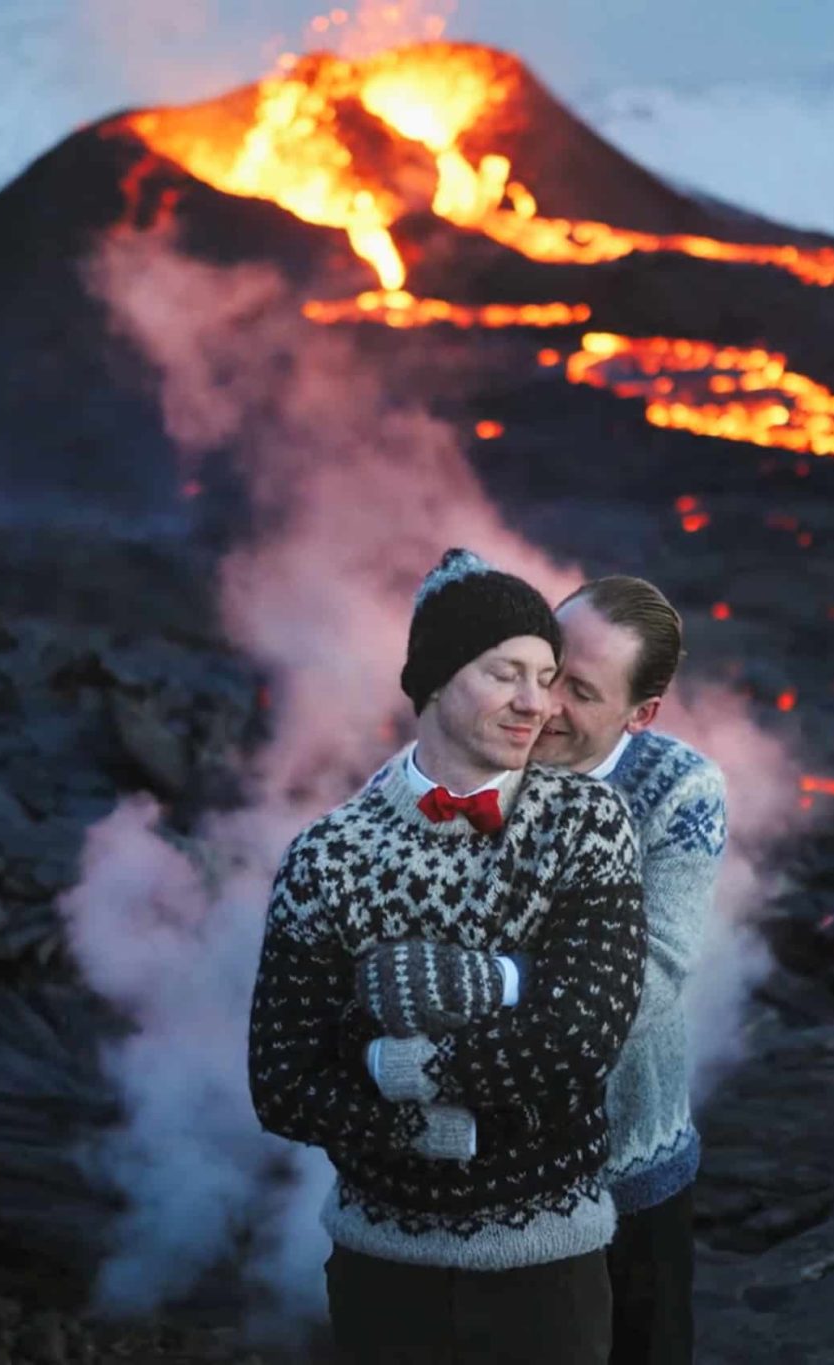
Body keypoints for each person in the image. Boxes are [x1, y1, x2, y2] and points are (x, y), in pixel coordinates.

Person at [247, 548, 647, 1364]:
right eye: (507, 673)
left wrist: (401, 1064)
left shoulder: (588, 824)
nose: (535, 703)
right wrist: (411, 1124)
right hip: (381, 1275)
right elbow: (282, 1080)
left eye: (548, 676)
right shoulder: (328, 856)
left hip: (550, 1275)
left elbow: (581, 1035)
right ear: (435, 680)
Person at [531, 575, 727, 1365]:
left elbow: (651, 976)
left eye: (578, 690)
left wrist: (485, 1003)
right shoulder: (479, 745)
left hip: (625, 1168)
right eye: (546, 669)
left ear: (640, 714)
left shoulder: (679, 790)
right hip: (471, 1178)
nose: (542, 703)